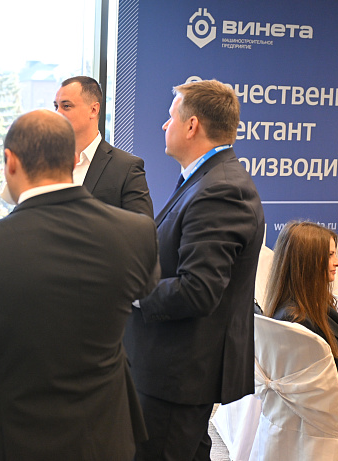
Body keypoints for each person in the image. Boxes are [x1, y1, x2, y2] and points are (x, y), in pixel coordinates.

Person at [0, 109, 160, 461]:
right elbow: (144, 293)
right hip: (104, 435)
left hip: (6, 438)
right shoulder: (136, 233)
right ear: (73, 159)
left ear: (10, 161)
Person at [124, 79, 265, 460]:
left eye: (171, 117)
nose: (164, 125)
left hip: (177, 375)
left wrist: (130, 291)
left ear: (192, 126)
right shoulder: (205, 179)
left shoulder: (221, 189)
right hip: (172, 369)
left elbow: (198, 290)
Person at [266, 221, 338, 435]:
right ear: (306, 261)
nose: (337, 262)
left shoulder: (296, 309)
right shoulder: (301, 320)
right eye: (329, 255)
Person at [54, 75, 153, 216]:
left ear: (93, 110)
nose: (58, 113)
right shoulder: (46, 164)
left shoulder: (126, 167)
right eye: (56, 106)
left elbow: (143, 226)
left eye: (66, 106)